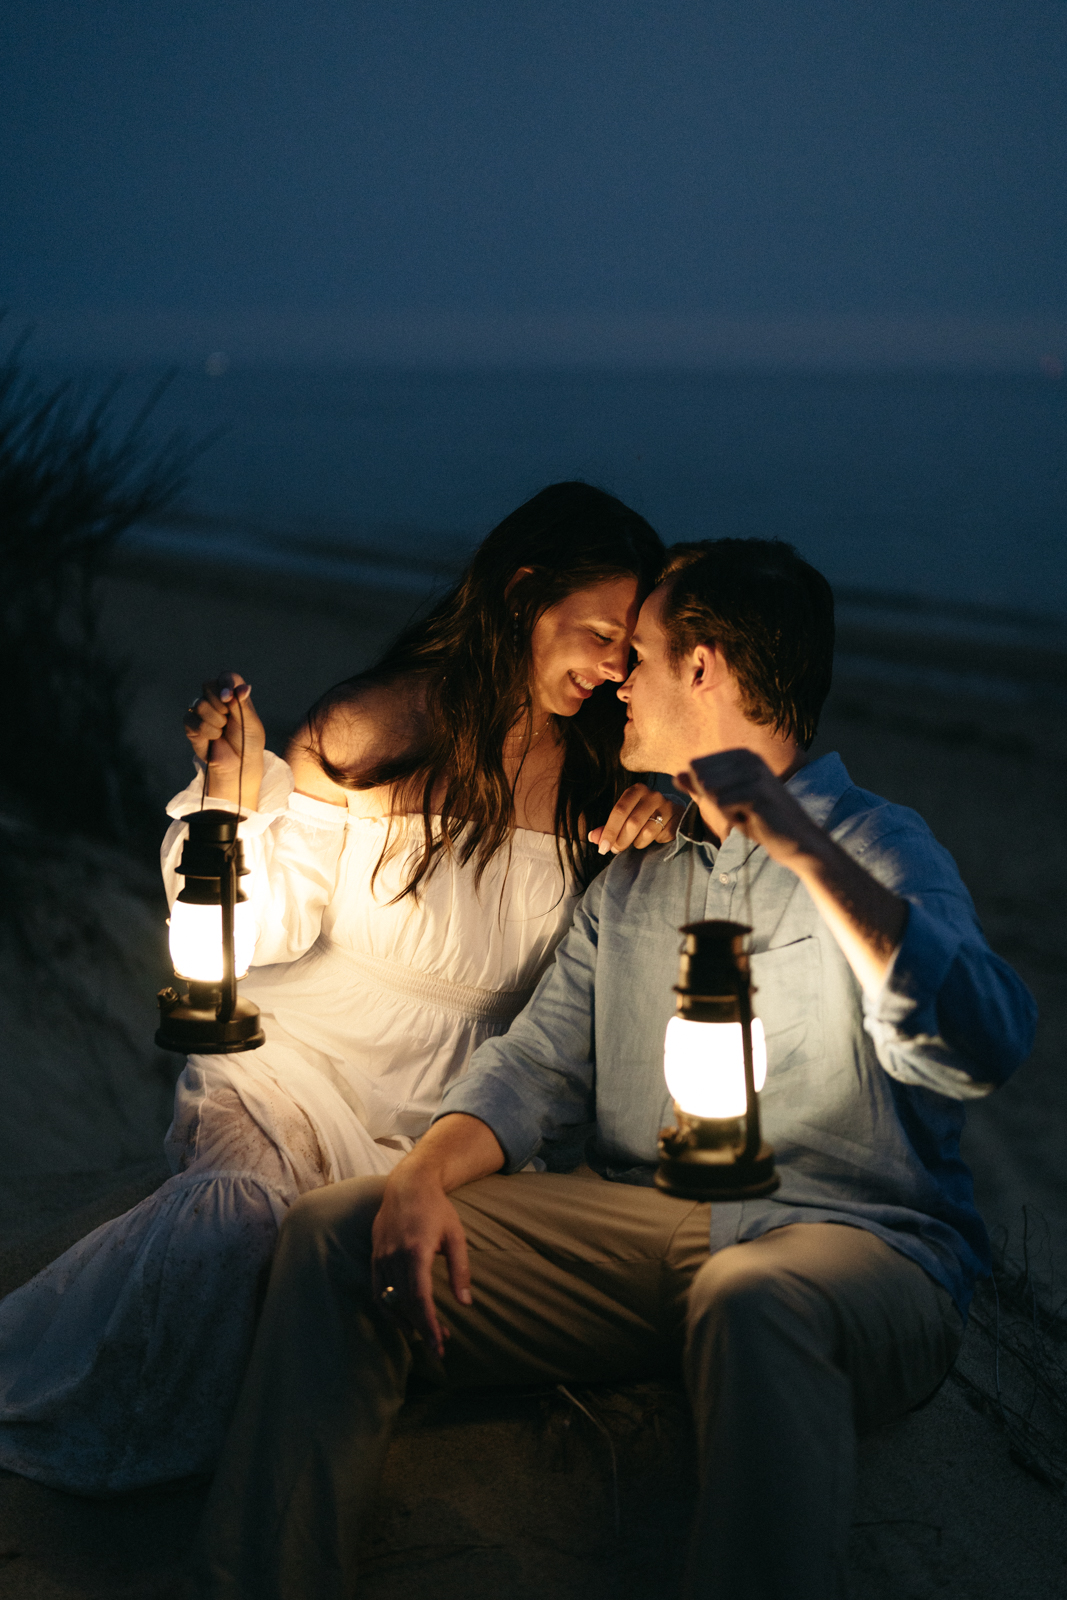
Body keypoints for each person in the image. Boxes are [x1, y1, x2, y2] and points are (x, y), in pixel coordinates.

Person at [195, 536, 1037, 1600]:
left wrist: (800, 847)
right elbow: (532, 1066)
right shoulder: (634, 880)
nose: (617, 684)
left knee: (754, 1296)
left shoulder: (875, 843)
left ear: (703, 668)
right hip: (649, 1225)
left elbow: (983, 1038)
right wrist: (416, 1175)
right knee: (336, 1234)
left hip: (855, 1241)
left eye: (638, 655)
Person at [0, 482, 673, 1495]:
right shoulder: (373, 725)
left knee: (396, 1296)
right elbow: (263, 926)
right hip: (294, 1077)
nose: (614, 667)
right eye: (598, 634)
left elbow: (603, 987)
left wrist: (655, 816)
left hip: (462, 1125)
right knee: (237, 1228)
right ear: (524, 591)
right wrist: (228, 807)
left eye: (630, 649)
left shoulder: (594, 775)